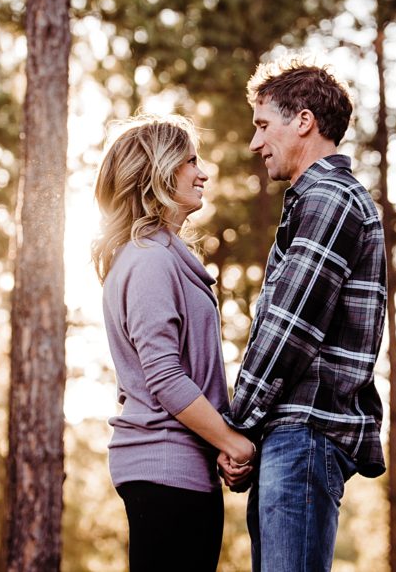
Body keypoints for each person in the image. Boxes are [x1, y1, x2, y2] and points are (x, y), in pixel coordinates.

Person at [219, 60, 388, 572]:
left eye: (263, 125)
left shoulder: (329, 198)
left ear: (304, 121)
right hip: (291, 435)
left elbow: (290, 329)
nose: (255, 143)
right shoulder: (318, 200)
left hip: (304, 435)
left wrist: (237, 428)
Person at [93, 115, 256, 572]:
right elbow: (164, 377)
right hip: (164, 470)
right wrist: (233, 443)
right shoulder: (148, 261)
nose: (202, 173)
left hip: (180, 469)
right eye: (190, 161)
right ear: (158, 172)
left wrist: (219, 447)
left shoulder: (161, 255)